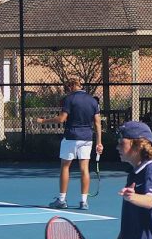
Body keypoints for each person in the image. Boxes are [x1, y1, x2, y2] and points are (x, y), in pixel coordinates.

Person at [36, 79, 103, 210]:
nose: (67, 90)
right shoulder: (93, 101)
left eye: (68, 87)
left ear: (72, 86)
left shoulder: (69, 99)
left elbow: (61, 119)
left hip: (71, 137)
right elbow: (98, 123)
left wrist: (43, 120)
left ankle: (61, 200)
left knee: (65, 167)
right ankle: (84, 202)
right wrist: (99, 142)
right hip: (87, 138)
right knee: (84, 169)